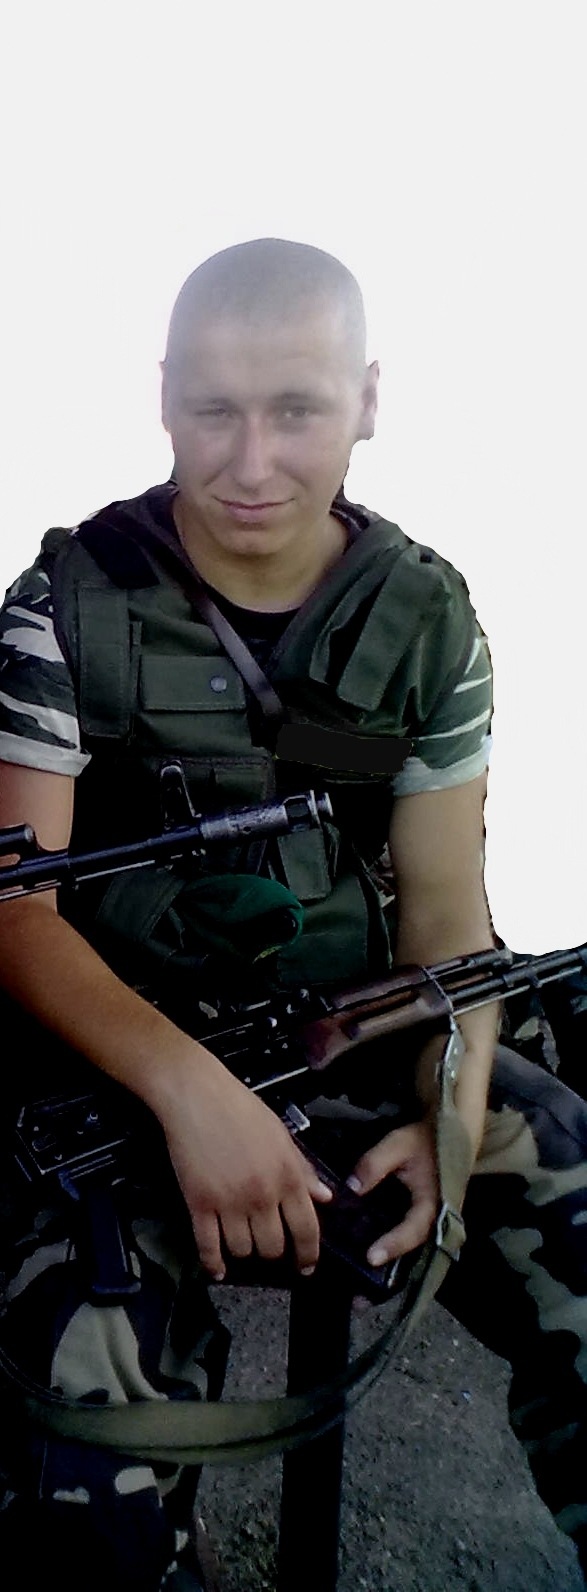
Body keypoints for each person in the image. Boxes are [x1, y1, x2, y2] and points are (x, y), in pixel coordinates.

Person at [0, 237, 585, 1590]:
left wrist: (447, 1124)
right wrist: (196, 1101)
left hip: (355, 1035)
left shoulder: (426, 619)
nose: (251, 460)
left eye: (296, 409)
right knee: (82, 1451)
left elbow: (447, 926)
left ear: (367, 401)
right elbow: (19, 915)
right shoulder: (62, 606)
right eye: (214, 408)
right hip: (114, 1058)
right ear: (162, 397)